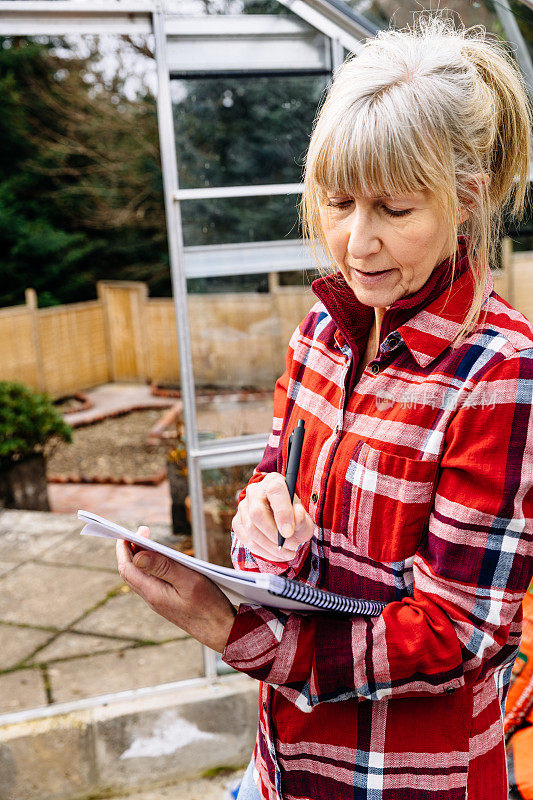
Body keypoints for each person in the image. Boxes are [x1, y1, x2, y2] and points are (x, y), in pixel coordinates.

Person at [116, 12, 533, 800]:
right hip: (281, 766)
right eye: (338, 203)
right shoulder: (321, 333)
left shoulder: (500, 375)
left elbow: (460, 633)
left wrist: (234, 634)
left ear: (467, 199)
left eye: (394, 211)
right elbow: (272, 495)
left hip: (405, 780)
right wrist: (262, 531)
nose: (356, 243)